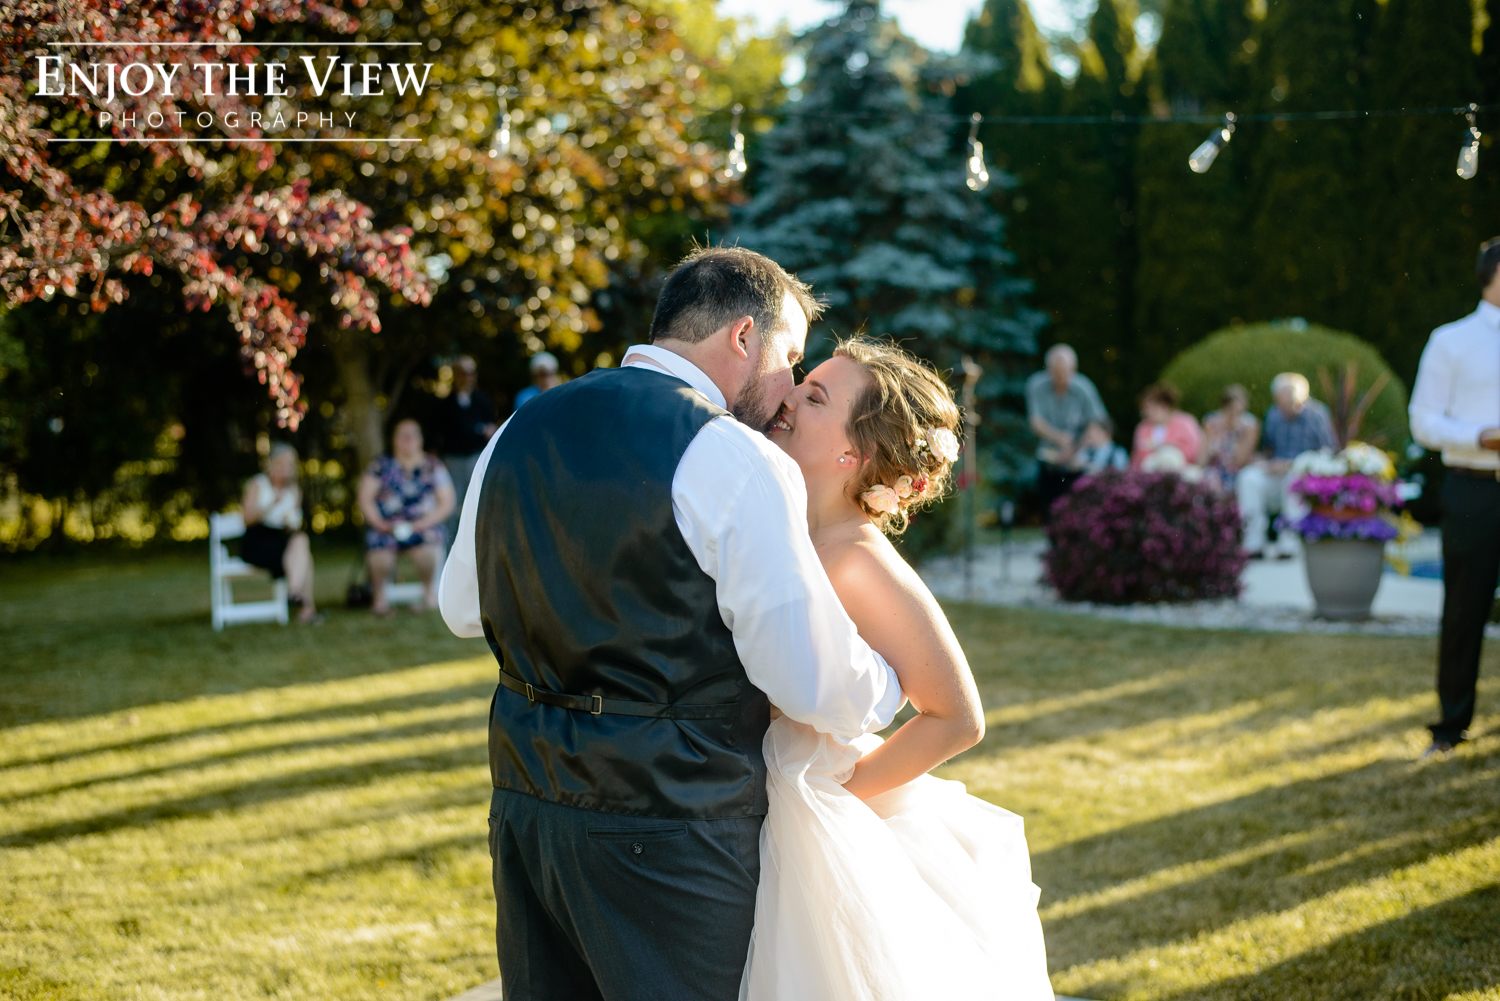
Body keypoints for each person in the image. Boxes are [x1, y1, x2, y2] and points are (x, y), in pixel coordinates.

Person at [438, 246, 904, 1000]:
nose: (789, 390)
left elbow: (462, 608)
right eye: (790, 358)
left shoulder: (520, 428)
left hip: (527, 806)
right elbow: (808, 678)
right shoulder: (733, 456)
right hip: (671, 825)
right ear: (744, 337)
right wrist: (886, 682)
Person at [745, 336, 1052, 999]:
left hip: (813, 800)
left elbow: (957, 716)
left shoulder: (858, 558)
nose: (789, 397)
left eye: (815, 397)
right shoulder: (785, 527)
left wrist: (839, 801)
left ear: (852, 454)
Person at [1408, 235, 1500, 757]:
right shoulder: (1451, 340)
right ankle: (1451, 727)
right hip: (1473, 487)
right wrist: (1480, 437)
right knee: (1465, 610)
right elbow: (1422, 421)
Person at [358, 419, 455, 616]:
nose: (408, 439)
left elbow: (447, 501)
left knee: (430, 549)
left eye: (412, 434)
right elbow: (365, 497)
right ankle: (380, 600)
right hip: (387, 527)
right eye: (403, 435)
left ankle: (428, 595)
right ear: (394, 439)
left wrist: (423, 523)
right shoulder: (380, 465)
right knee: (379, 552)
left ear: (420, 439)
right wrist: (379, 523)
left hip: (423, 526)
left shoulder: (433, 465)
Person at [1236, 372, 1338, 558]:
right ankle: (1253, 544)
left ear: (1301, 397)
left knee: (1293, 479)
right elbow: (1268, 449)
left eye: (1287, 402)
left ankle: (1288, 545)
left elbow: (1328, 453)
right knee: (1248, 478)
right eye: (1279, 402)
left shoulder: (1316, 414)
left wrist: (1291, 464)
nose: (1283, 407)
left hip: (1301, 474)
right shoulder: (1273, 414)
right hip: (1275, 473)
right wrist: (1263, 461)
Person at [239, 443, 321, 624]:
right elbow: (246, 519)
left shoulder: (294, 491)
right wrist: (271, 504)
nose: (286, 469)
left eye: (290, 465)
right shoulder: (258, 484)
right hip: (258, 541)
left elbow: (294, 524)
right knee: (304, 555)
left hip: (282, 538)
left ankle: (296, 593)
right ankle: (303, 603)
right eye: (281, 464)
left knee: (301, 541)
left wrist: (290, 521)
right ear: (271, 464)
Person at [1026, 344, 1109, 518]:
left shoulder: (1084, 388)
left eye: (1065, 373)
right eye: (1057, 373)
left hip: (1079, 453)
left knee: (1078, 505)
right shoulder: (1036, 385)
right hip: (1048, 454)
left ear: (1074, 369)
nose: (1061, 378)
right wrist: (1059, 439)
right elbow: (1036, 422)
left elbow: (1096, 423)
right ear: (1049, 370)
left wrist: (1074, 448)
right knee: (1048, 503)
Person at [434, 355, 498, 542]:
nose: (468, 377)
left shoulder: (483, 401)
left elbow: (493, 428)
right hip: (452, 461)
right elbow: (435, 436)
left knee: (478, 503)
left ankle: (479, 544)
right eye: (463, 373)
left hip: (477, 459)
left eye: (471, 373)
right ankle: (447, 547)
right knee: (450, 505)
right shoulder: (444, 404)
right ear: (455, 375)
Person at [1130, 381, 1204, 469]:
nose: (1146, 413)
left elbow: (1195, 451)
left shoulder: (1186, 423)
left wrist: (1167, 446)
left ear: (1163, 405)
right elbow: (1136, 458)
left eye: (1150, 408)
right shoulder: (1142, 428)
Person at [1202, 384, 1261, 492]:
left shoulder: (1250, 425)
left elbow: (1241, 460)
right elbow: (1203, 457)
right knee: (1208, 478)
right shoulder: (1211, 422)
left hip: (1238, 471)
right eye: (1231, 409)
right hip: (1214, 470)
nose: (1234, 414)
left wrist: (1237, 433)